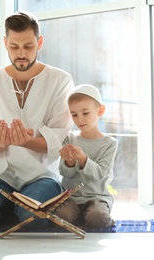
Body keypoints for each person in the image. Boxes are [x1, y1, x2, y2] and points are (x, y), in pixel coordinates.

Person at [0, 11, 74, 228]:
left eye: (28, 46)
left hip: (43, 174)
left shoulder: (60, 80)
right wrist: (0, 142)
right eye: (14, 47)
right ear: (5, 43)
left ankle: (18, 208)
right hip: (2, 174)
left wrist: (26, 142)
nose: (21, 53)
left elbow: (58, 137)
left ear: (39, 42)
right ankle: (9, 205)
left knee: (30, 219)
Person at [55, 84, 118, 228]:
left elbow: (101, 174)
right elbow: (63, 173)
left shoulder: (109, 144)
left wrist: (83, 159)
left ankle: (90, 217)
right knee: (60, 217)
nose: (80, 119)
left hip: (97, 198)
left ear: (100, 110)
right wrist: (69, 163)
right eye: (74, 115)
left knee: (97, 219)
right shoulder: (69, 138)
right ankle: (81, 218)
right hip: (71, 198)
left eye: (85, 113)